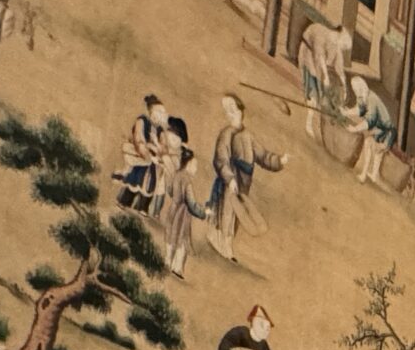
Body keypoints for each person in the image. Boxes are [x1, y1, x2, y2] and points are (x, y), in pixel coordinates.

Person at [207, 95, 287, 260]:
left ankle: (227, 244)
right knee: (227, 211)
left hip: (244, 181)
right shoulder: (226, 134)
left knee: (239, 213)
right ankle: (222, 243)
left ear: (240, 111)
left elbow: (263, 156)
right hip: (231, 179)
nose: (230, 113)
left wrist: (280, 161)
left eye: (233, 109)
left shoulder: (249, 136)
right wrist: (230, 179)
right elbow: (221, 159)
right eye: (227, 110)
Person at [148, 119, 209, 278]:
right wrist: (204, 213)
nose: (195, 169)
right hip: (183, 213)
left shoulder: (177, 172)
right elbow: (191, 203)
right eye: (194, 166)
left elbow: (169, 186)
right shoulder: (186, 180)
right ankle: (177, 267)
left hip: (173, 209)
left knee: (171, 236)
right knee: (181, 239)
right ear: (188, 165)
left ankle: (169, 262)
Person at [116, 96, 173, 210]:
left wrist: (156, 145)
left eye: (163, 113)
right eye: (159, 112)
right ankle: (124, 201)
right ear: (151, 111)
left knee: (150, 183)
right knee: (134, 178)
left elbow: (164, 148)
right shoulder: (142, 121)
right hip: (141, 158)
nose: (162, 115)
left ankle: (142, 207)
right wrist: (147, 152)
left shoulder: (160, 130)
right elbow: (139, 139)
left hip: (153, 163)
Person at [296, 20, 351, 135]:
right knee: (313, 95)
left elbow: (340, 69)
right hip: (308, 57)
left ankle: (317, 122)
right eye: (342, 46)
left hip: (318, 67)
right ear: (338, 37)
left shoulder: (336, 46)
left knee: (322, 95)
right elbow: (319, 56)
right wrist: (325, 76)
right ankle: (308, 123)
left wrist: (345, 87)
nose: (341, 49)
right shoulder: (321, 33)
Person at [348, 75, 396, 185]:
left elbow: (369, 121)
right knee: (377, 152)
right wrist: (347, 112)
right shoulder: (363, 97)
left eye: (355, 88)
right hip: (381, 129)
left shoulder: (371, 99)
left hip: (386, 131)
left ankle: (364, 174)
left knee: (369, 143)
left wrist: (355, 129)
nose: (354, 90)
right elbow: (359, 110)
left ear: (360, 87)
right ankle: (373, 175)